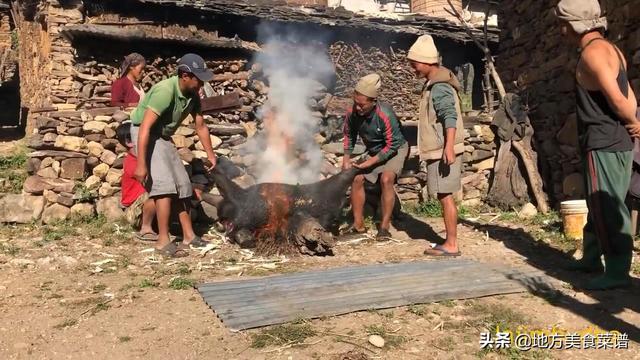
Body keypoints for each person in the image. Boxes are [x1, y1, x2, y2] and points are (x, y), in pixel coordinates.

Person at [555, 0, 639, 289]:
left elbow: (618, 99)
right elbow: (629, 96)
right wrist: (634, 119)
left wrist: (635, 122)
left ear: (573, 24)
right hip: (611, 140)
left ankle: (617, 271)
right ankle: (591, 257)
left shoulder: (593, 54)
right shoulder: (611, 49)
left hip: (604, 142)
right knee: (598, 203)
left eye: (562, 24)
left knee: (609, 206)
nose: (561, 30)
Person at [130, 53, 218, 257]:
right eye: (199, 78)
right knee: (164, 187)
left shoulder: (193, 95)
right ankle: (162, 241)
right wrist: (141, 164)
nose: (202, 84)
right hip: (145, 132)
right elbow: (144, 128)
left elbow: (201, 125)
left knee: (183, 185)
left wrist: (211, 155)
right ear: (185, 75)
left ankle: (189, 236)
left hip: (163, 136)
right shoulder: (165, 91)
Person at [407, 35, 465, 257]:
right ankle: (450, 241)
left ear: (426, 62)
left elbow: (449, 116)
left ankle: (451, 244)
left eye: (415, 65)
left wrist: (448, 147)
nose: (414, 69)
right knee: (444, 194)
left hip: (444, 150)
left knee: (445, 195)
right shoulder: (435, 84)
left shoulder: (440, 87)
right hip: (441, 149)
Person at [342, 73, 408, 240]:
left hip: (395, 149)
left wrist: (370, 162)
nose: (358, 108)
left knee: (386, 179)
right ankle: (358, 225)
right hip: (374, 150)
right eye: (356, 103)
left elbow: (392, 144)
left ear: (373, 102)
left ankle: (384, 227)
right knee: (357, 179)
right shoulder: (352, 113)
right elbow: (349, 135)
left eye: (362, 105)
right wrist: (346, 158)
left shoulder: (385, 114)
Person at [116, 121, 158, 241]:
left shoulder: (141, 159)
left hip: (142, 208)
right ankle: (146, 229)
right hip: (134, 212)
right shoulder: (132, 162)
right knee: (159, 192)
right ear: (129, 142)